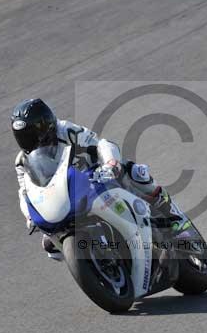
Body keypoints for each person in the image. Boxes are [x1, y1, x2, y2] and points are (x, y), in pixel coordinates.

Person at [11, 98, 188, 260]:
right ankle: (97, 259)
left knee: (136, 172)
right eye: (22, 136)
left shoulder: (66, 131)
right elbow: (25, 192)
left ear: (46, 124)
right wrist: (30, 215)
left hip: (97, 178)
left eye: (32, 133)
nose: (28, 140)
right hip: (63, 199)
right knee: (50, 245)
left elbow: (99, 144)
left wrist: (110, 165)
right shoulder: (22, 162)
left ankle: (175, 219)